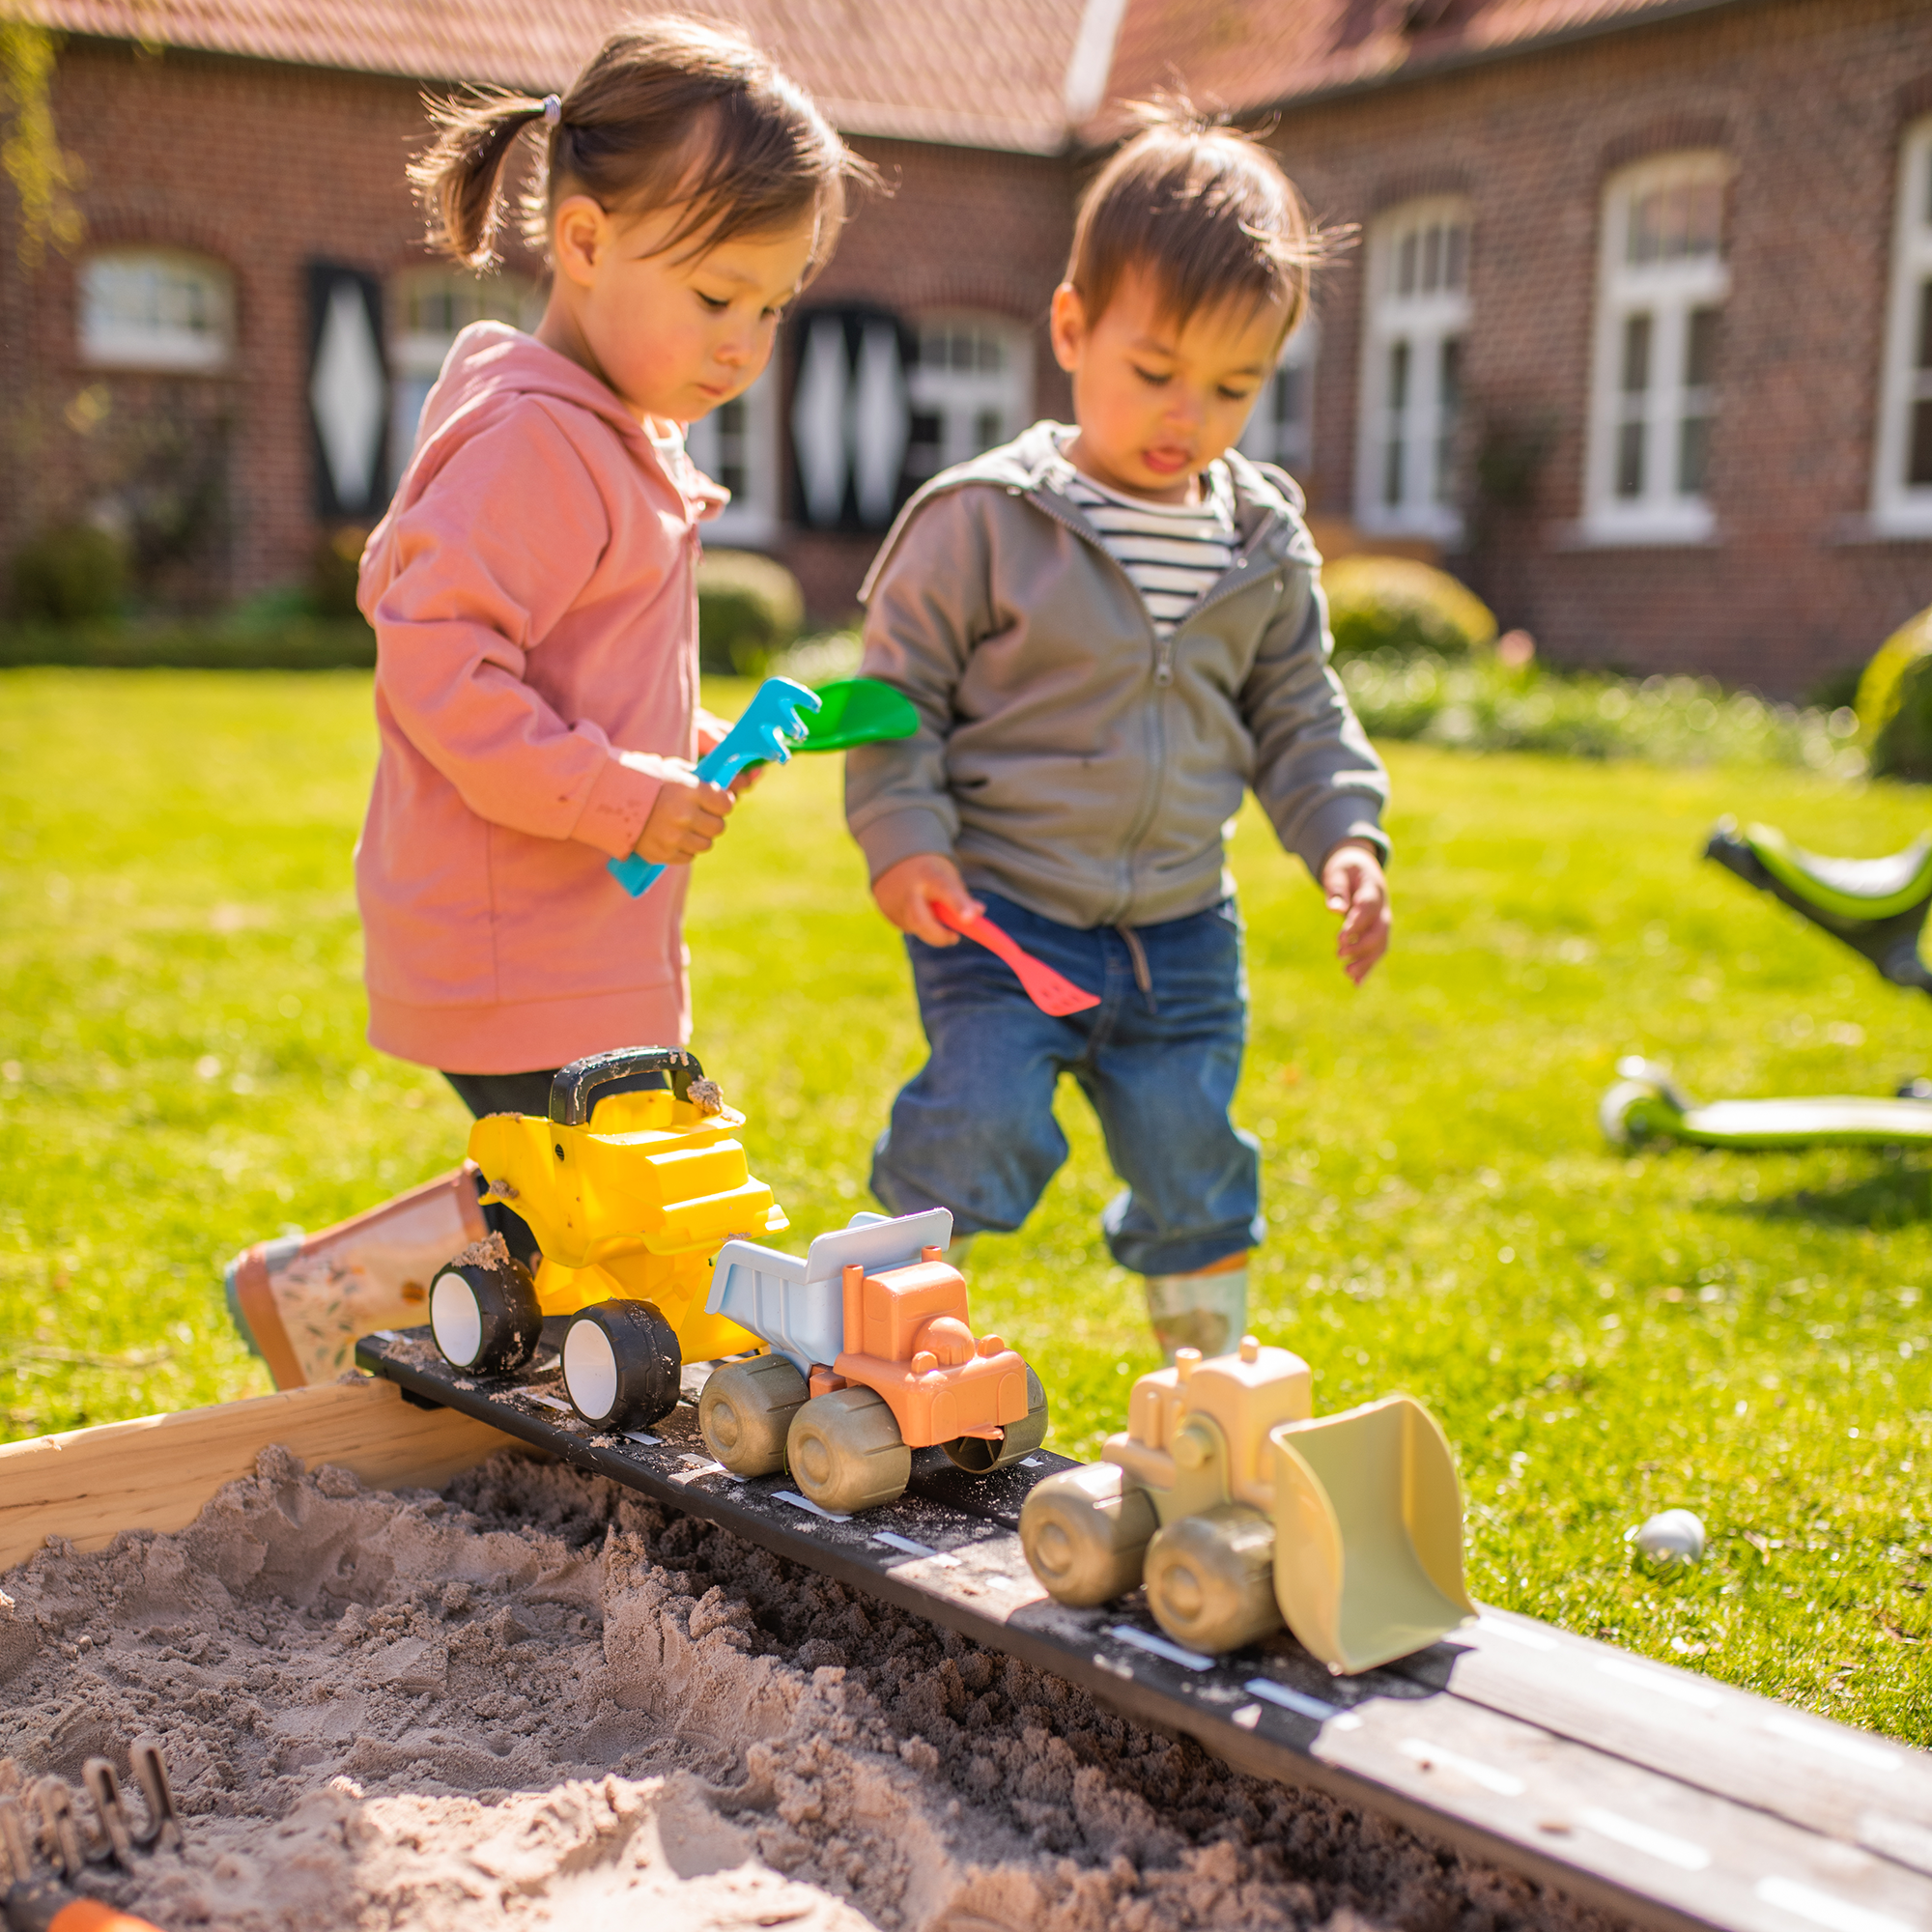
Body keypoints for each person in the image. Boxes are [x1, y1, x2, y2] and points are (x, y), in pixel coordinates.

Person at [227, 20, 869, 1379]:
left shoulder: (605, 435)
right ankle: (514, 1369)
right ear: (583, 243)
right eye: (716, 297)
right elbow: (446, 678)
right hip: (512, 928)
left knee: (576, 1188)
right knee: (596, 1198)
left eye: (773, 304)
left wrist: (691, 755)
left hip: (574, 925)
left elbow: (579, 680)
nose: (746, 341)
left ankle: (320, 1297)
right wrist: (626, 798)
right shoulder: (534, 442)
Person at [845, 108, 1391, 1363]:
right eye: (1155, 372)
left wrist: (1344, 836)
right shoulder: (984, 519)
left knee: (1193, 1153)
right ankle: (871, 1343)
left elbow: (1297, 707)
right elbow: (894, 698)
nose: (1188, 415)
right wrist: (902, 840)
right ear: (1073, 328)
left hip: (1181, 939)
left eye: (1235, 387)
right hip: (1003, 915)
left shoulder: (1258, 541)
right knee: (975, 1122)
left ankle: (1209, 1393)